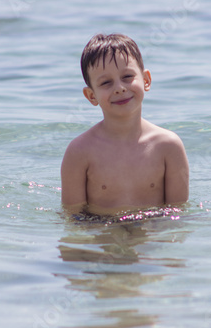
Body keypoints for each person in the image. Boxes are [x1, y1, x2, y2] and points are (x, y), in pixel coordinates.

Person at [61, 33, 189, 216]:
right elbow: (73, 218)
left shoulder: (168, 146)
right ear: (91, 96)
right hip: (102, 234)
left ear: (146, 80)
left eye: (127, 76)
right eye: (106, 82)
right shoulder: (79, 152)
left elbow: (178, 214)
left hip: (151, 233)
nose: (120, 88)